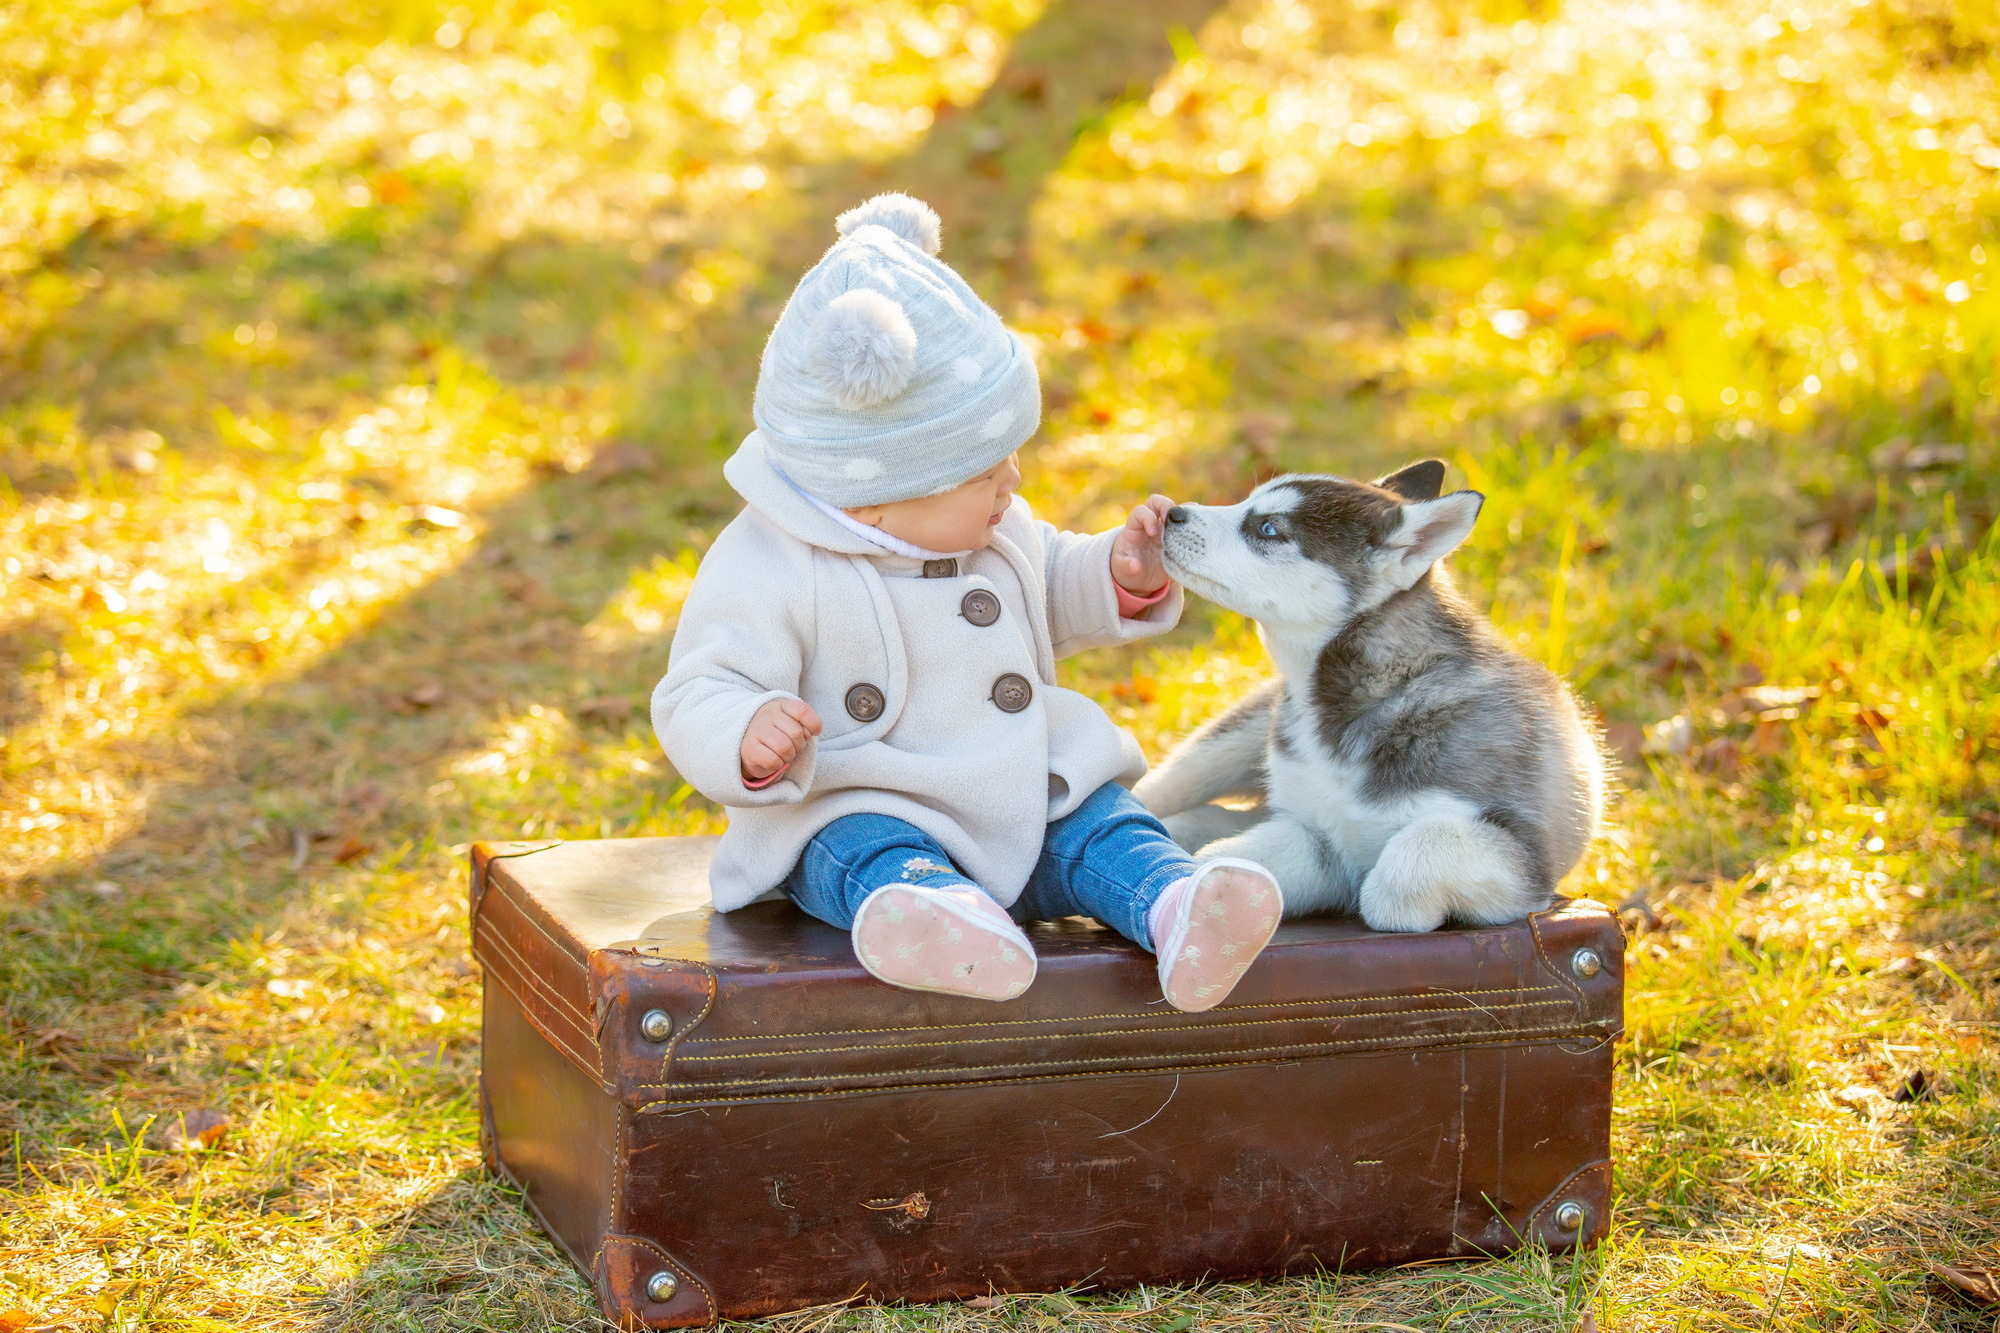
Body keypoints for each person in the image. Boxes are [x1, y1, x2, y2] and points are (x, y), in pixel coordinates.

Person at [652, 193, 1280, 1012]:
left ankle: (1180, 907)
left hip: (1018, 788)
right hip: (868, 794)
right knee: (854, 848)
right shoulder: (770, 563)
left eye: (1009, 460)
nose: (1011, 484)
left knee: (1101, 822)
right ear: (874, 497)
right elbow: (699, 687)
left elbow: (1049, 579)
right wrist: (746, 733)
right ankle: (936, 919)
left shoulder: (991, 528)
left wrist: (1118, 572)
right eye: (985, 473)